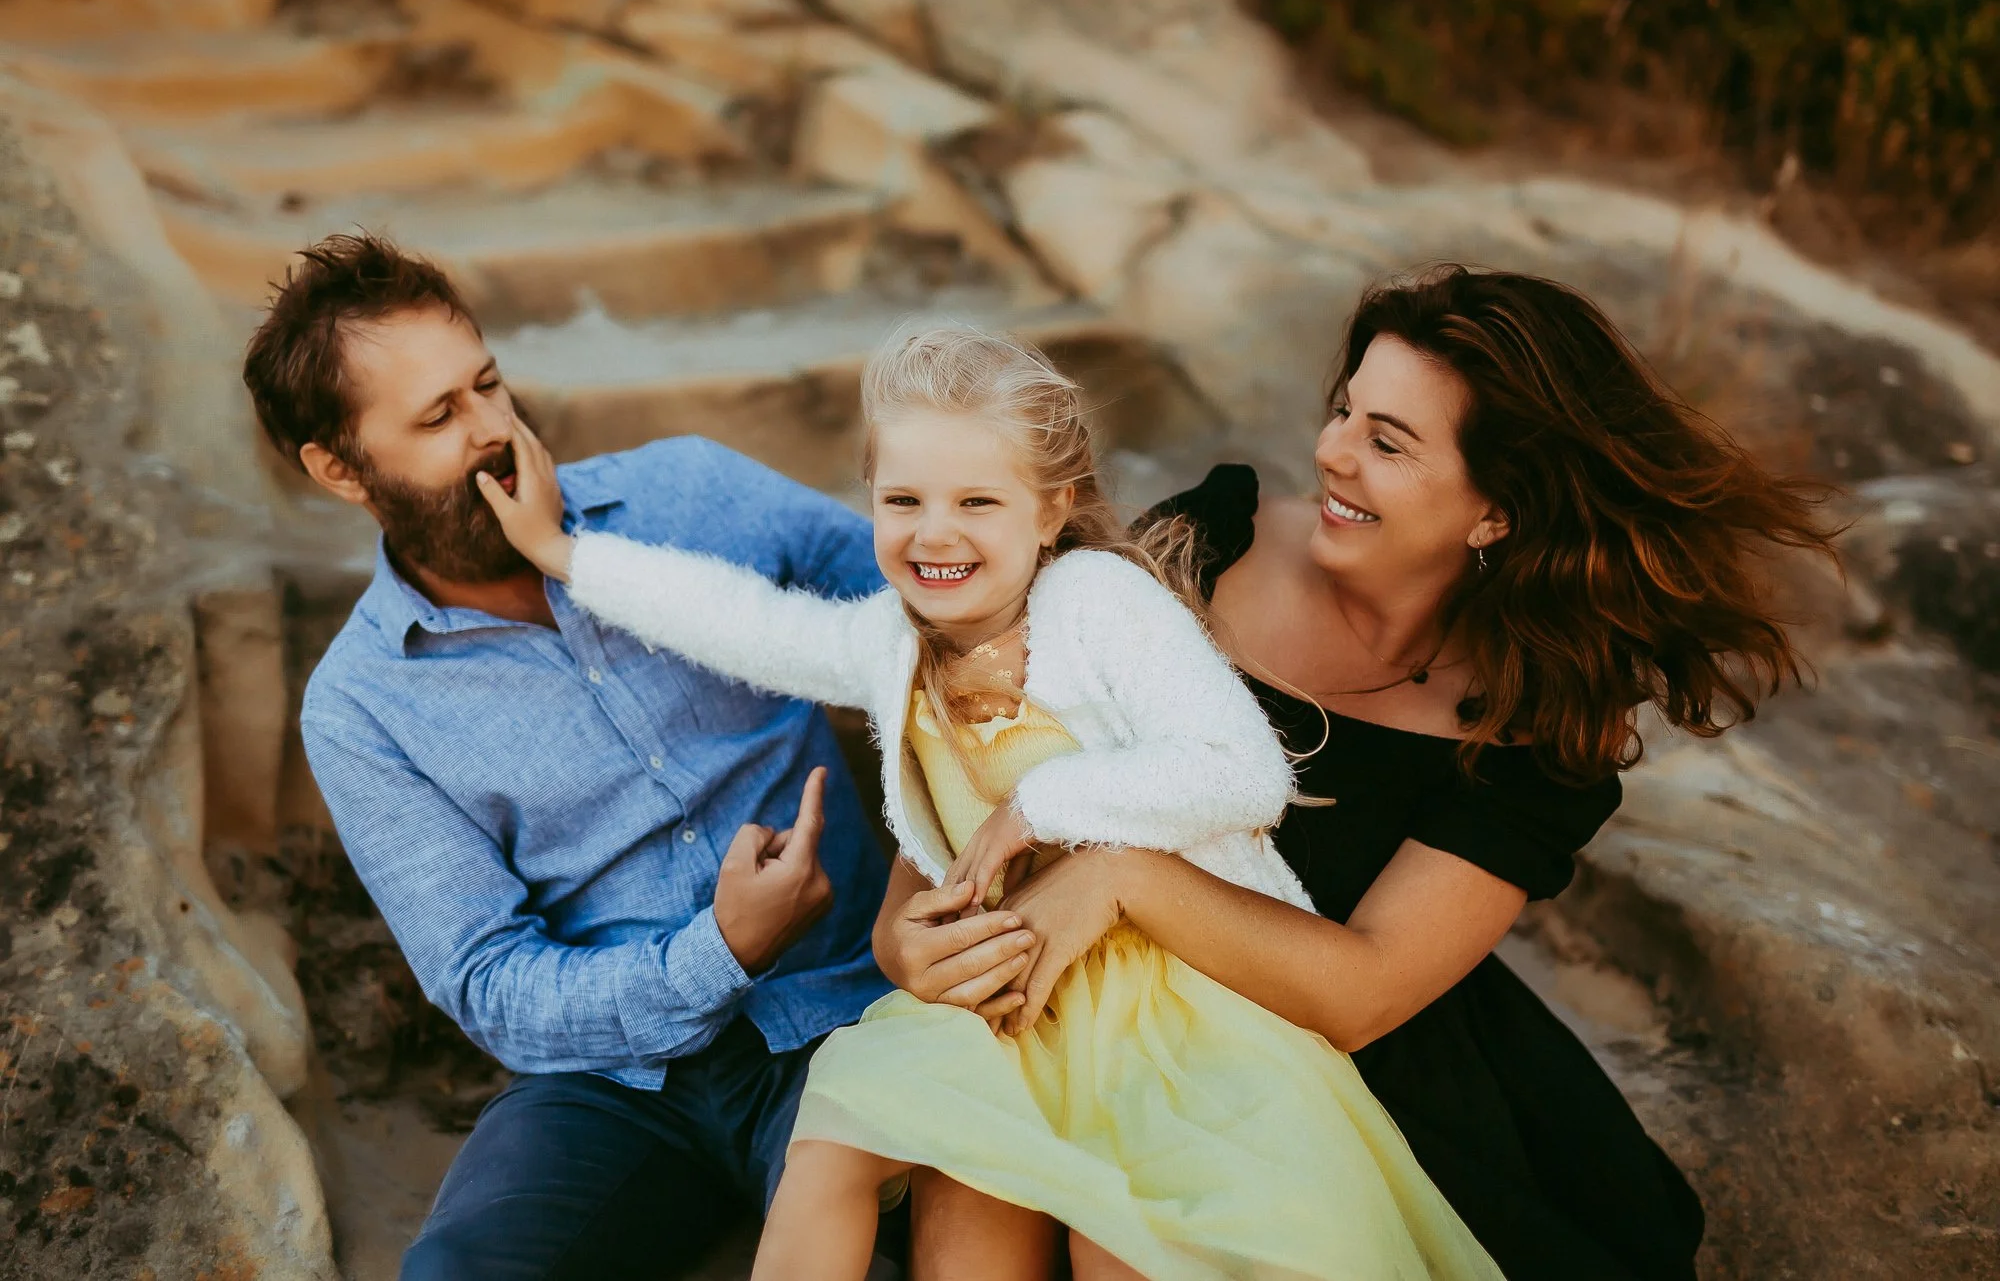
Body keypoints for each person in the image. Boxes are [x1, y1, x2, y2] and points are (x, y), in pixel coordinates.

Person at [481, 324, 1504, 1281]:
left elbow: (1244, 770)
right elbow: (747, 619)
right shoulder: (889, 641)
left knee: (1133, 1235)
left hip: (1169, 990)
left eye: (977, 503)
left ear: (1049, 509)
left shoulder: (1096, 602)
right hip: (1003, 996)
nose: (936, 535)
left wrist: (1037, 804)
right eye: (903, 501)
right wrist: (567, 556)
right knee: (836, 1147)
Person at [894, 264, 1840, 1280]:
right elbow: (994, 730)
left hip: (1346, 1067)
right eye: (1344, 410)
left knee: (1135, 1232)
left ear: (1495, 512)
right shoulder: (1205, 544)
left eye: (1386, 442)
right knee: (973, 1169)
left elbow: (1363, 991)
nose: (1329, 451)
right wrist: (905, 925)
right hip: (1096, 1006)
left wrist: (1122, 875)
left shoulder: (1541, 722)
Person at [244, 233, 913, 1280]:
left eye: (488, 385)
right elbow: (486, 979)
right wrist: (715, 951)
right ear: (339, 469)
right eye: (436, 417)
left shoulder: (691, 493)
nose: (492, 431)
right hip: (608, 1085)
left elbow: (916, 614)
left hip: (841, 1010)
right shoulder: (361, 705)